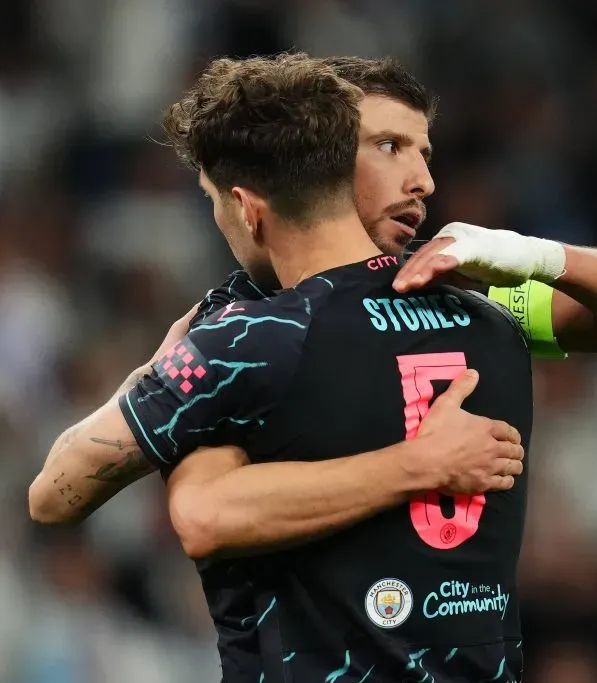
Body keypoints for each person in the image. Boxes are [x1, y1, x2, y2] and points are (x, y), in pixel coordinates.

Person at [29, 53, 533, 681]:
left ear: (246, 206)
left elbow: (55, 495)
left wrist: (154, 372)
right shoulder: (497, 323)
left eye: (213, 202)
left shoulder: (249, 335)